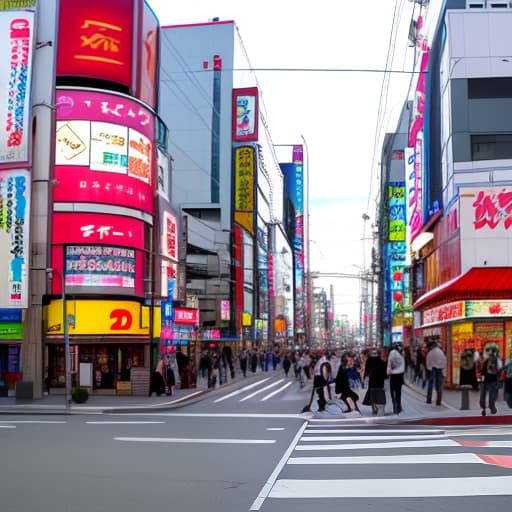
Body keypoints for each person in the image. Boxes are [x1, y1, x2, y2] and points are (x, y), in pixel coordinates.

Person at [362, 347, 387, 416]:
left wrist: (364, 377)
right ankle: (376, 408)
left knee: (373, 394)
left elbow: (367, 370)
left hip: (375, 380)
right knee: (376, 394)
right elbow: (385, 372)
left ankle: (375, 409)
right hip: (378, 380)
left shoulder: (370, 359)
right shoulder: (381, 360)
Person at [479, 346, 502, 416]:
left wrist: (482, 380)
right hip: (493, 380)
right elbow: (500, 369)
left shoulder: (486, 360)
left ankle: (483, 408)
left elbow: (482, 371)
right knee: (492, 394)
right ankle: (492, 407)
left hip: (485, 380)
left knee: (483, 394)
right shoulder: (497, 360)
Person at [425, 341, 447, 406]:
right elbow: (444, 360)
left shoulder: (430, 353)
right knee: (439, 386)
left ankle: (429, 399)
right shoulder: (440, 352)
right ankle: (438, 401)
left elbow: (428, 362)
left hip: (432, 369)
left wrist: (429, 368)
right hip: (440, 369)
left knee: (430, 384)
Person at [387, 343, 405, 414]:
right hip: (400, 375)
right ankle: (399, 407)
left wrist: (388, 371)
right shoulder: (401, 354)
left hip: (393, 375)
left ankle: (395, 406)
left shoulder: (392, 353)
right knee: (398, 392)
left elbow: (389, 363)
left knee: (392, 391)